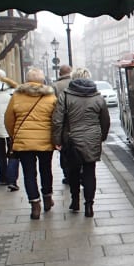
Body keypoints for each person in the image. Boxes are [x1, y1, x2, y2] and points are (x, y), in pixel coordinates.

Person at [53, 66, 110, 217]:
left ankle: (75, 200)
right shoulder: (98, 97)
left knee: (73, 171)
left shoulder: (65, 96)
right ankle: (89, 206)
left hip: (71, 139)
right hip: (92, 138)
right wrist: (101, 137)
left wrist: (57, 140)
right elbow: (105, 121)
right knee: (90, 171)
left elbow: (58, 120)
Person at [4, 67, 58, 220]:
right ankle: (47, 197)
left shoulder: (16, 96)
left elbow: (8, 119)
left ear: (27, 80)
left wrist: (14, 135)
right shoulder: (50, 97)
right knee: (46, 170)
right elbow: (56, 119)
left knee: (29, 173)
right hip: (45, 141)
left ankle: (35, 204)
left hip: (24, 142)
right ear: (43, 81)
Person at [53, 64, 73, 183]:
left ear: (60, 73)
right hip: (75, 121)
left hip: (62, 122)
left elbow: (53, 106)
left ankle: (67, 174)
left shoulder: (55, 86)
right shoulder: (75, 83)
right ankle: (77, 172)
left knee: (64, 150)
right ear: (70, 72)